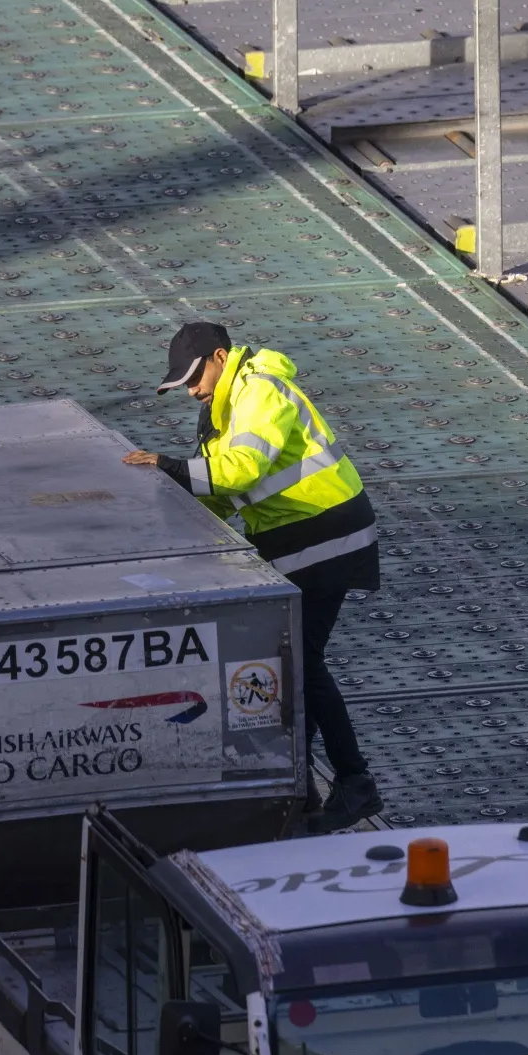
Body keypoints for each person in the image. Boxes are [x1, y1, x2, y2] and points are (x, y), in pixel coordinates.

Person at [124, 321, 382, 833]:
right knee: (293, 664)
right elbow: (219, 492)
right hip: (295, 538)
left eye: (195, 376)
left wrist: (170, 467)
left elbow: (242, 470)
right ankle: (306, 787)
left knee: (302, 664)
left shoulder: (260, 390)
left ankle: (353, 784)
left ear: (220, 358)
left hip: (327, 534)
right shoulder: (220, 410)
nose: (192, 388)